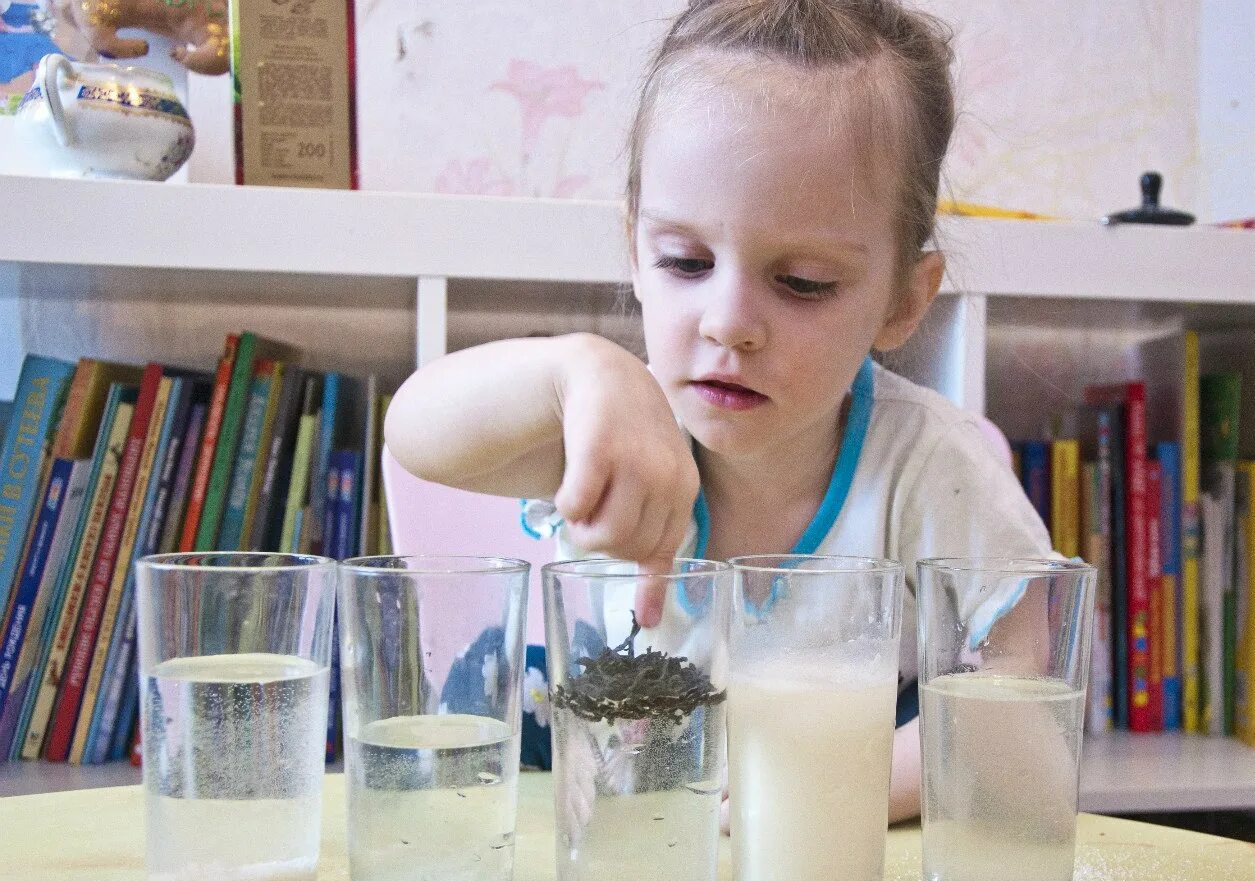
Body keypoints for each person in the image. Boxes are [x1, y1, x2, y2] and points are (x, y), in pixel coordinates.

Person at [384, 0, 1052, 823]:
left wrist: (843, 785)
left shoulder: (929, 468)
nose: (727, 321)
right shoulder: (608, 429)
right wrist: (575, 368)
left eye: (802, 281)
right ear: (635, 251)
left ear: (903, 301)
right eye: (685, 261)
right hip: (617, 874)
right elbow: (416, 434)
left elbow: (1020, 696)